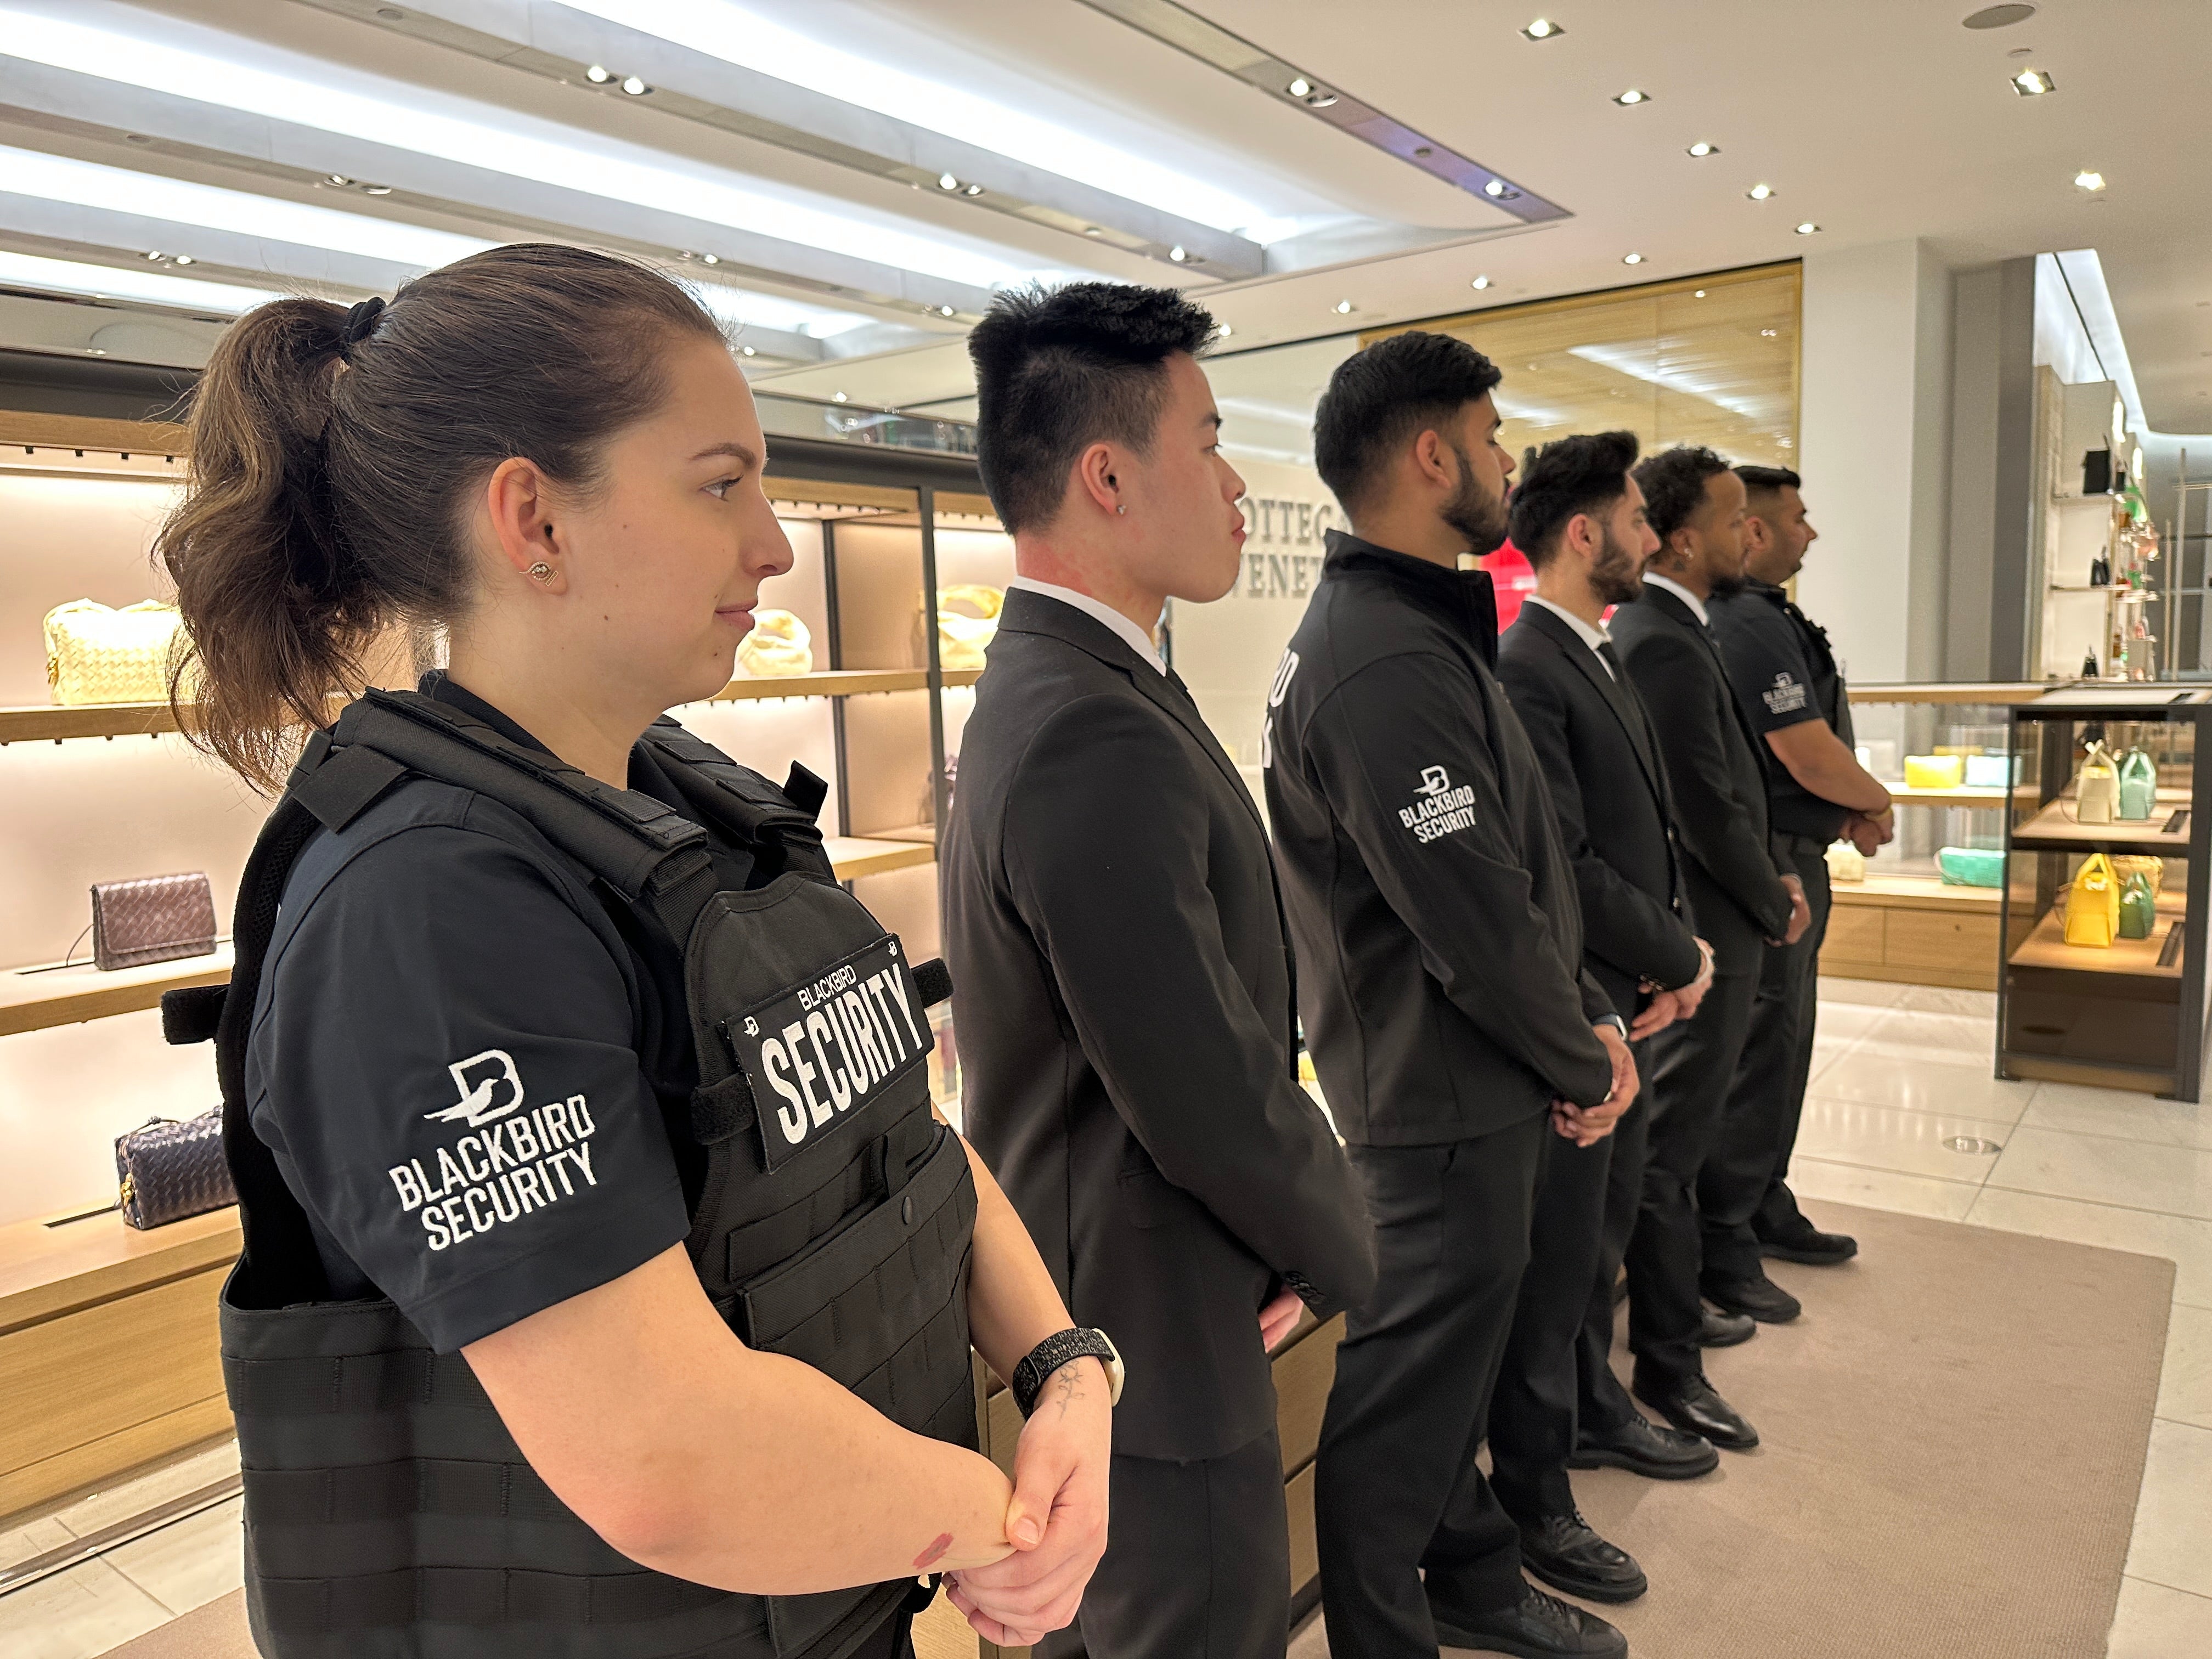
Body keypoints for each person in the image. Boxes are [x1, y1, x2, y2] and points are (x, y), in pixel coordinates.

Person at [156, 244, 1110, 1658]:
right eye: (721, 485)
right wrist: (1008, 1524)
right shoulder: (429, 913)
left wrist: (1062, 1368)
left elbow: (894, 1141)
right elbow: (665, 1458)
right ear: (533, 520)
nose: (773, 544)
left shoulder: (677, 797)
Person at [940, 280, 1376, 1659]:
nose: (1236, 484)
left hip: (1116, 1300)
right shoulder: (1089, 722)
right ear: (1109, 477)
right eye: (1209, 440)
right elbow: (1201, 1083)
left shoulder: (1073, 684)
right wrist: (1341, 1238)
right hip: (1153, 1328)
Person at [1266, 330, 1635, 1659]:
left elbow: (1512, 872)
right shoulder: (1382, 661)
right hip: (1433, 1094)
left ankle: (1472, 1573)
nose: (1508, 462)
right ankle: (1386, 1635)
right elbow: (1474, 922)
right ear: (1432, 457)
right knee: (1403, 1399)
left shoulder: (1416, 630)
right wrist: (1587, 1058)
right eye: (1490, 438)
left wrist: (1585, 1020)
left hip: (1473, 1076)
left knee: (1454, 1371)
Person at [1489, 431, 1723, 1608]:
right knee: (1568, 1253)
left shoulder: (1596, 650)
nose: (1649, 534)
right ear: (1583, 534)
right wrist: (1674, 952)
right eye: (1633, 517)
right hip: (1581, 1003)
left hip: (1625, 996)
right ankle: (1561, 1445)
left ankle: (1594, 1405)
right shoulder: (1529, 664)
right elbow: (1564, 865)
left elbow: (1641, 833)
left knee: (1604, 1226)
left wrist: (1669, 957)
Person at [1609, 446, 1810, 1456]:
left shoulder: (1683, 631)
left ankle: (1677, 1315)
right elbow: (1701, 804)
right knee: (1672, 1145)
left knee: (1682, 1139)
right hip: (1708, 927)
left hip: (1724, 920)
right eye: (1735, 519)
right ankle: (1668, 1354)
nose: (1752, 535)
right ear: (1684, 540)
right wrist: (1769, 898)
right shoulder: (1659, 640)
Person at [1703, 465, 1884, 1311]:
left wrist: (1847, 810)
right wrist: (1875, 802)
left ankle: (1762, 1202)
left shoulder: (1768, 617)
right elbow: (1803, 751)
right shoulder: (1743, 622)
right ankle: (1727, 1233)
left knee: (1785, 1044)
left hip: (1797, 848)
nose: (1810, 532)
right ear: (1754, 530)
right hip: (1768, 857)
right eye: (1797, 518)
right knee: (1760, 1048)